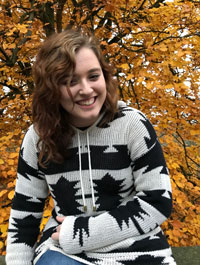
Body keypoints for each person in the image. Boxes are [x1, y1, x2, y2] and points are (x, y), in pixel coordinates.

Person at [6, 29, 177, 265]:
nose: (86, 90)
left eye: (93, 76)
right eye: (70, 81)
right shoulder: (38, 138)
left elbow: (157, 201)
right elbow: (24, 215)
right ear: (51, 88)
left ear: (104, 77)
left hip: (136, 249)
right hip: (65, 253)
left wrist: (83, 233)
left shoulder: (132, 125)